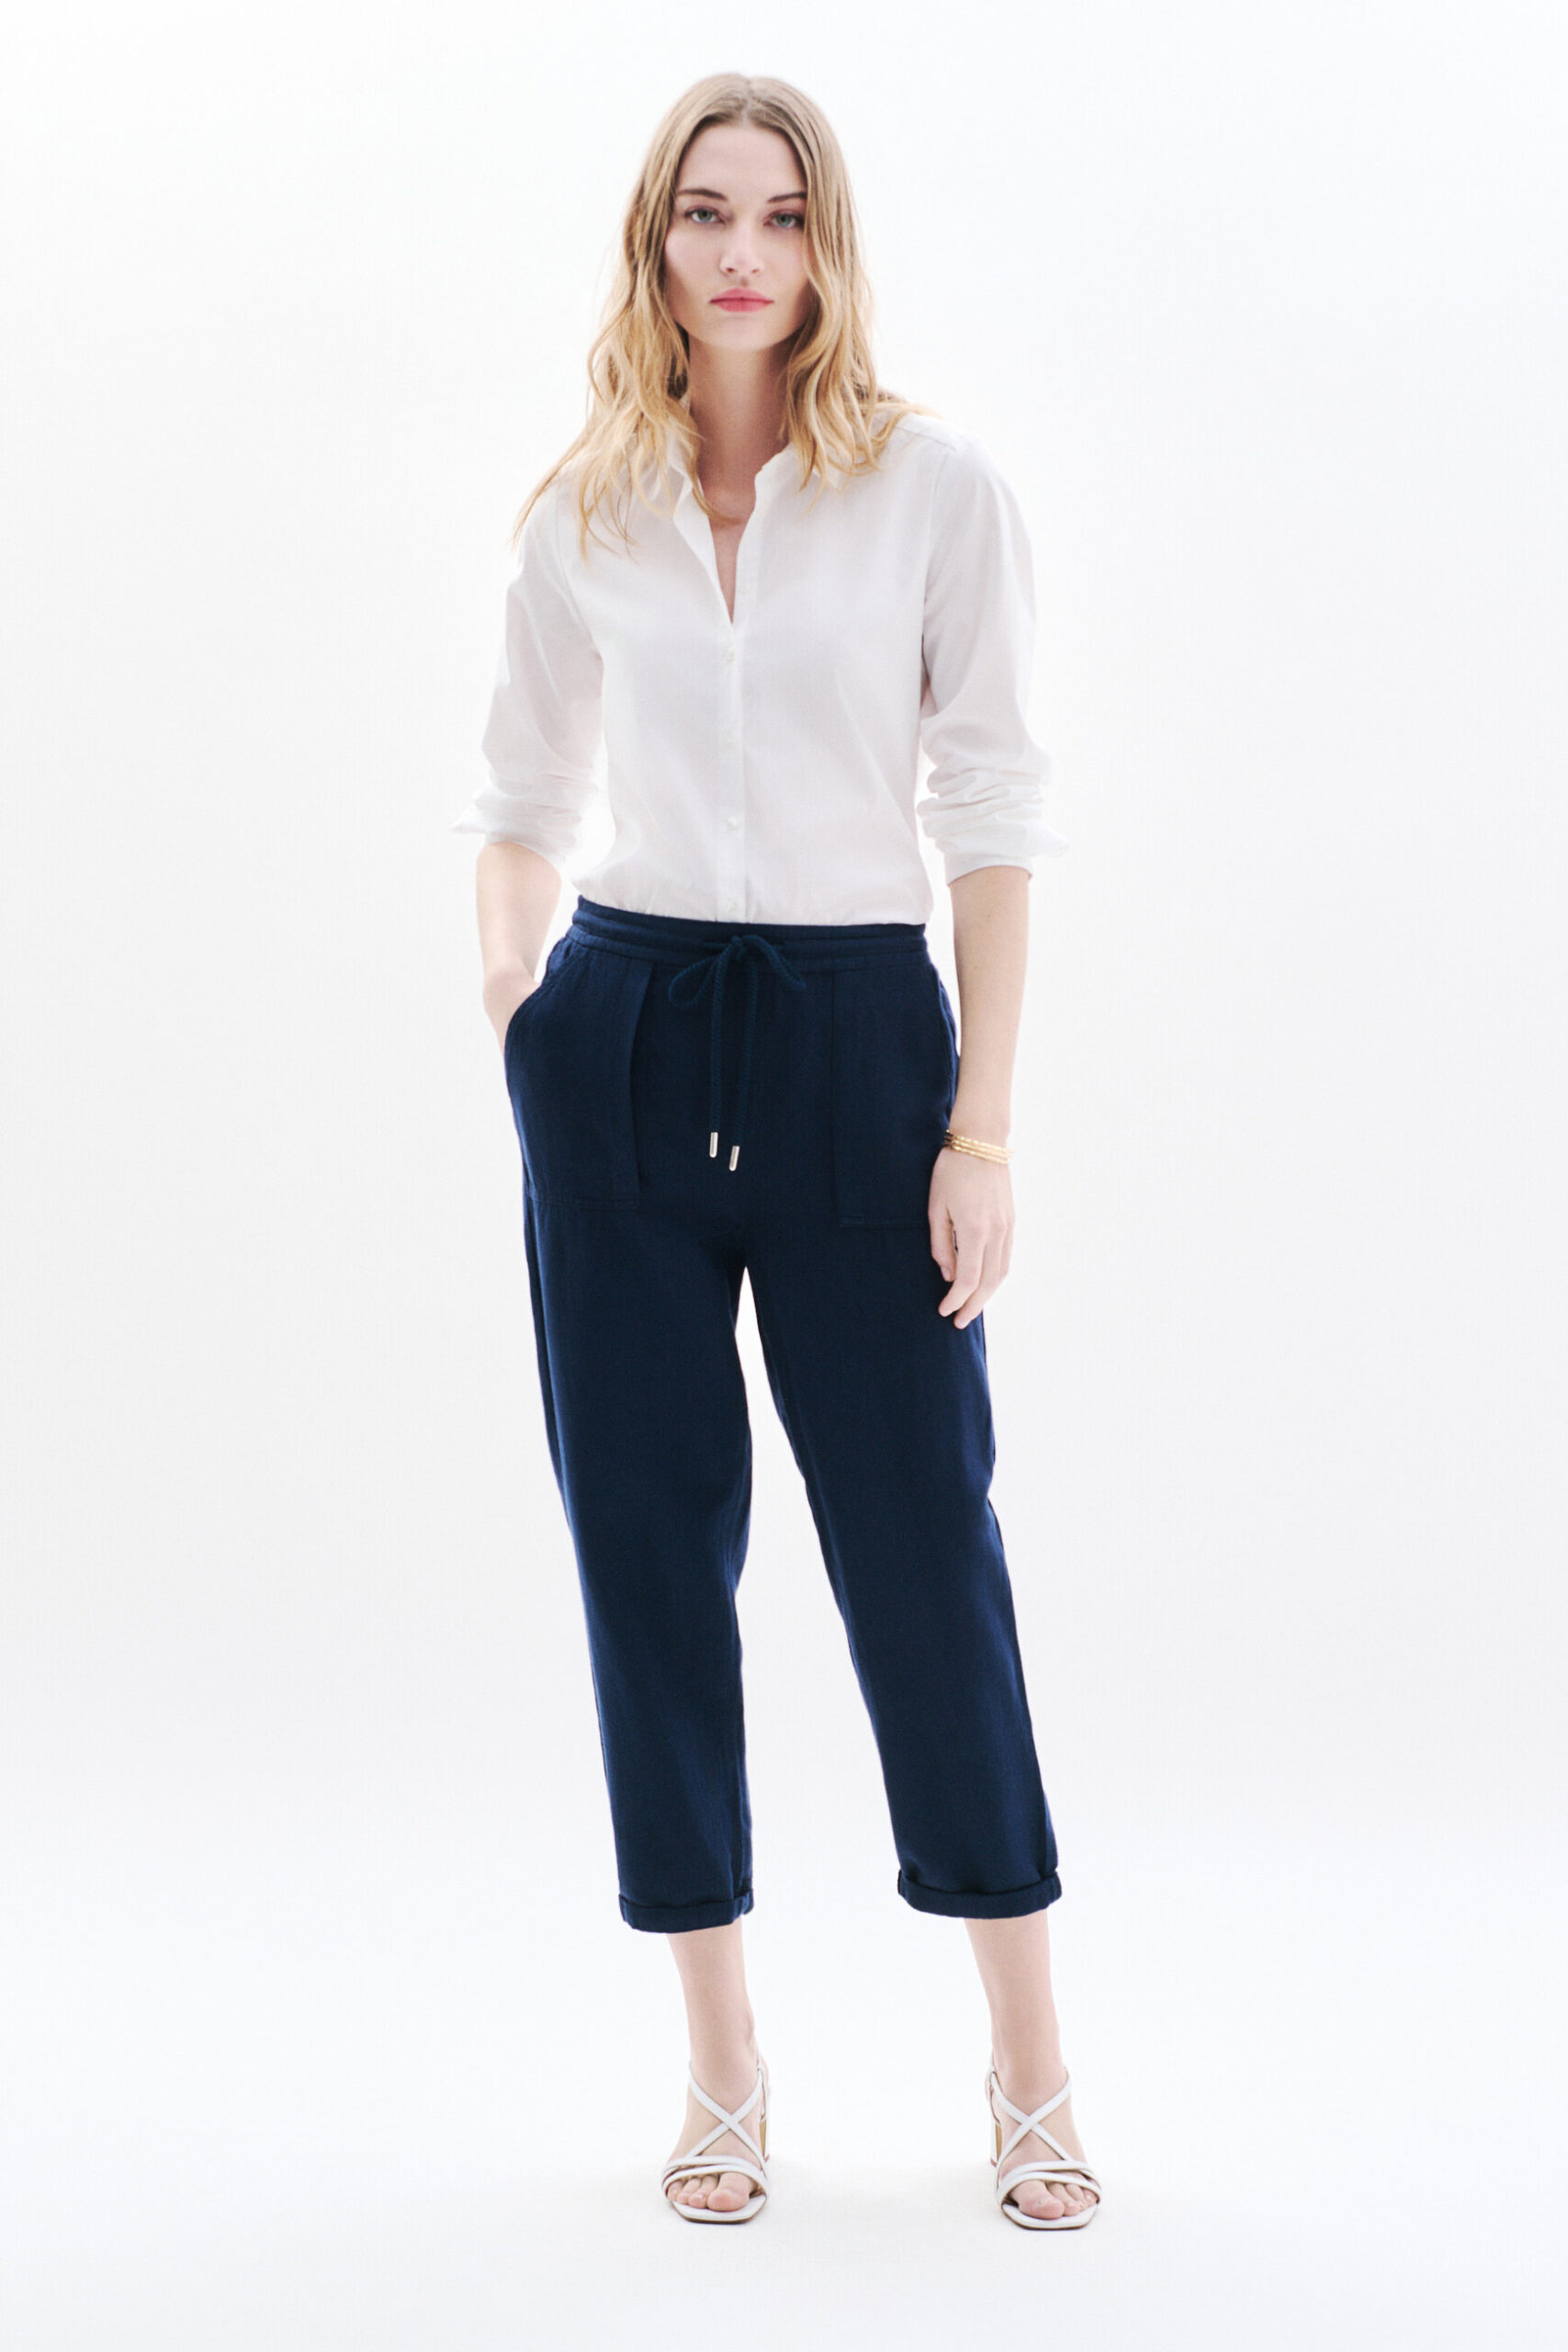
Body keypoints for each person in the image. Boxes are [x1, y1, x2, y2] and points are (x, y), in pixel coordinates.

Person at [451, 72, 1101, 2232]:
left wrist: (978, 1123)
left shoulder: (929, 488)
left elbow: (990, 812)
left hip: (854, 1041)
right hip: (622, 1038)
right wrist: (523, 1011)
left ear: (826, 251)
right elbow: (517, 795)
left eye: (780, 215)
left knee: (921, 1547)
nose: (741, 254)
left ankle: (1030, 2062)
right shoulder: (585, 508)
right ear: (653, 245)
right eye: (704, 214)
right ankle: (722, 2061)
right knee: (645, 1551)